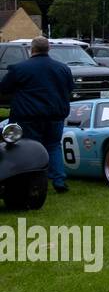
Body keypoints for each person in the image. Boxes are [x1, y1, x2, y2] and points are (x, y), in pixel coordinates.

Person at [0, 36, 74, 193]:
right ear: (49, 49)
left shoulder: (20, 68)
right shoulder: (62, 68)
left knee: (28, 148)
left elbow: (4, 88)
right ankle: (59, 180)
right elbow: (69, 89)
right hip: (55, 115)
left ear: (31, 49)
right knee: (54, 146)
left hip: (28, 116)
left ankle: (33, 181)